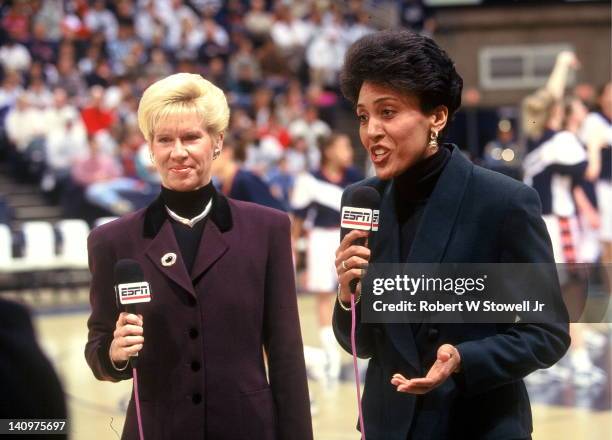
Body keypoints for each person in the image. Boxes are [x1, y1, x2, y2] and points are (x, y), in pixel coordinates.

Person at [332, 30, 570, 440]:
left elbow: (546, 333)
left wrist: (463, 358)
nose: (371, 130)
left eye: (388, 112)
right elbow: (363, 344)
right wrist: (345, 295)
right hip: (389, 425)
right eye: (363, 116)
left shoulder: (503, 202)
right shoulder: (361, 199)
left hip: (476, 423)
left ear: (437, 117)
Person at [84, 73, 312, 440]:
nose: (178, 152)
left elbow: (286, 356)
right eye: (165, 140)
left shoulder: (267, 229)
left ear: (217, 141)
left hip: (247, 428)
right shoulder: (111, 240)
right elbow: (99, 352)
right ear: (150, 148)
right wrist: (114, 352)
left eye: (191, 137)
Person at [291, 133, 363, 386]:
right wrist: (294, 249)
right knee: (324, 295)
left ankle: (356, 352)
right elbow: (298, 219)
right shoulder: (309, 180)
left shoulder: (355, 177)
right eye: (344, 145)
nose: (349, 151)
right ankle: (331, 356)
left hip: (350, 238)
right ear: (329, 151)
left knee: (354, 292)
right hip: (320, 240)